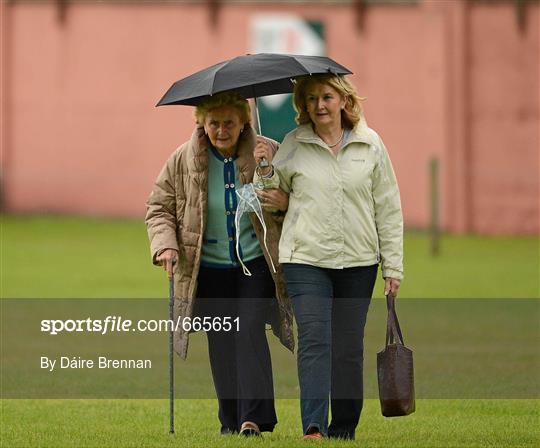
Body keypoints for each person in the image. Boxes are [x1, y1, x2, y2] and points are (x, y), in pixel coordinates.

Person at [253, 74, 403, 440]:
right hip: (305, 257)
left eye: (327, 96)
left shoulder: (370, 144)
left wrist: (393, 266)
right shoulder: (293, 144)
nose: (320, 105)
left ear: (343, 100)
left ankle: (344, 427)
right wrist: (266, 168)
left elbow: (388, 207)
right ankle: (314, 425)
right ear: (303, 106)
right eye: (312, 99)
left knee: (349, 348)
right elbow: (268, 195)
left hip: (359, 261)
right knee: (316, 340)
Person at [145, 90, 294, 437]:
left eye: (230, 122)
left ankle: (252, 419)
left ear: (244, 122)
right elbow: (159, 207)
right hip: (207, 269)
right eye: (214, 123)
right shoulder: (182, 160)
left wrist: (272, 180)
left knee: (249, 328)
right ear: (202, 123)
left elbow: (293, 200)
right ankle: (229, 420)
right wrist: (165, 247)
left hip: (254, 263)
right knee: (222, 339)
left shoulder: (267, 151)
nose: (222, 130)